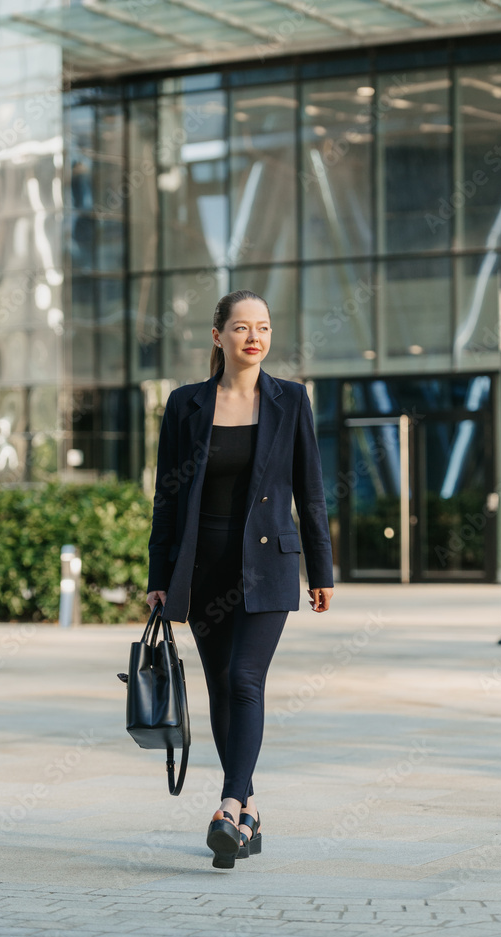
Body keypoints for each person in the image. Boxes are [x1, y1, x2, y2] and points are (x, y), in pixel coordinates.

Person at [146, 289, 334, 868]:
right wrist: (159, 574)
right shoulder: (185, 405)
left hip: (269, 564)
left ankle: (228, 804)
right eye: (242, 327)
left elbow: (311, 489)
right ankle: (248, 811)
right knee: (221, 686)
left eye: (264, 328)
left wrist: (321, 568)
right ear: (218, 335)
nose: (254, 336)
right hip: (202, 569)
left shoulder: (291, 400)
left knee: (246, 678)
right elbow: (166, 498)